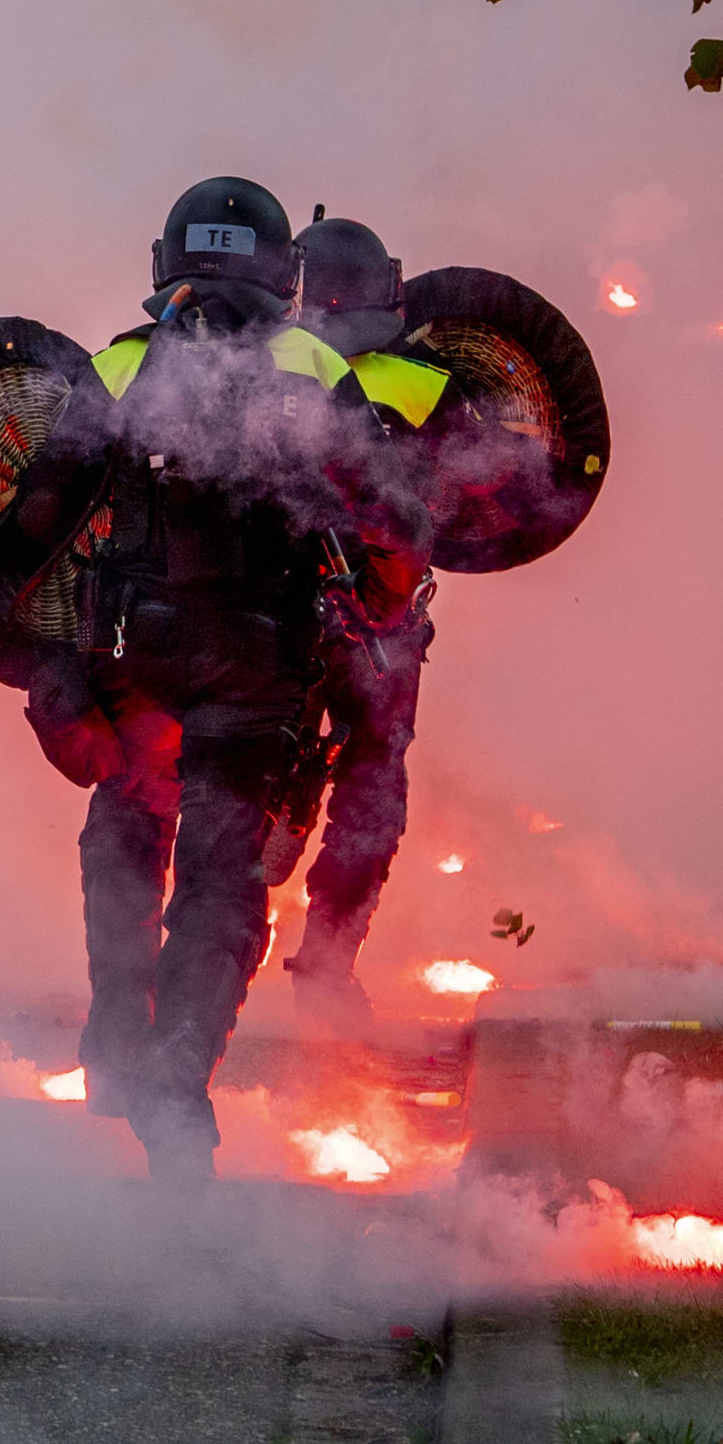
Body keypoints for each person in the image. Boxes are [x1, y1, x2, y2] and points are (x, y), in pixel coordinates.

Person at [23, 179, 447, 1180]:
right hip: (257, 658)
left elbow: (36, 527)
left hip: (130, 649)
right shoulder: (307, 362)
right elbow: (390, 516)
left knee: (125, 830)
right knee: (223, 876)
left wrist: (54, 665)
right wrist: (382, 611)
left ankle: (114, 1042)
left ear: (165, 260)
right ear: (279, 272)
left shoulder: (118, 363)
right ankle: (177, 1081)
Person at [272, 217, 442, 1020]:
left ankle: (219, 944)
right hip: (383, 622)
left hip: (272, 608)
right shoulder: (425, 385)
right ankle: (328, 967)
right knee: (374, 788)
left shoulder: (264, 374)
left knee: (249, 767)